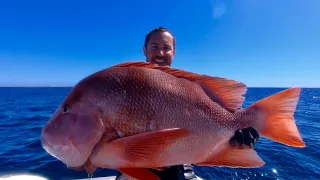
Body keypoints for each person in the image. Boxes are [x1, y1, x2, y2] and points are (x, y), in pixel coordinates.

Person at [115, 27, 260, 180]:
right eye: (155, 47)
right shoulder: (126, 84)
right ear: (145, 50)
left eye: (166, 48)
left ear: (174, 52)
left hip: (178, 167)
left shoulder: (189, 87)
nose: (160, 53)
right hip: (134, 171)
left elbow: (214, 116)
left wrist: (236, 137)